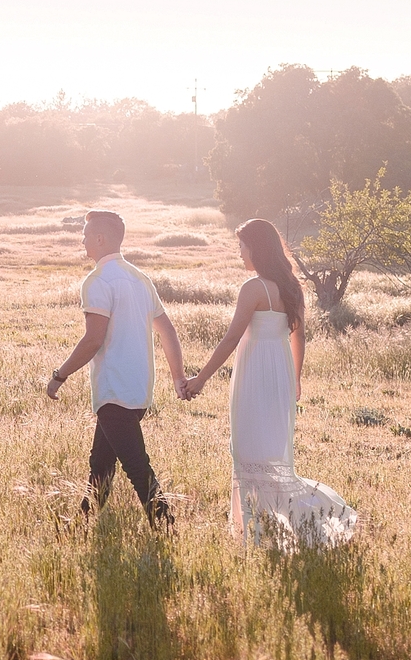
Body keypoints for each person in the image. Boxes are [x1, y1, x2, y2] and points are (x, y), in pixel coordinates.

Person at [177, 218, 357, 549]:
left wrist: (200, 379)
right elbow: (298, 336)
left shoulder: (254, 288)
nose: (240, 252)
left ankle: (257, 535)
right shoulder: (292, 287)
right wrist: (296, 378)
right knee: (272, 455)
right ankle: (267, 531)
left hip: (254, 374)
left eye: (242, 245)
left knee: (247, 452)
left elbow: (232, 338)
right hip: (281, 374)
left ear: (256, 248)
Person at [45, 210, 185, 524]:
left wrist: (60, 375)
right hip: (138, 390)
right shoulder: (140, 278)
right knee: (101, 464)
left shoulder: (97, 281)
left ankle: (166, 526)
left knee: (136, 467)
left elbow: (93, 340)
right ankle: (82, 526)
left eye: (85, 235)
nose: (82, 241)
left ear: (100, 238)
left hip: (113, 388)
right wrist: (178, 378)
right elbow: (167, 330)